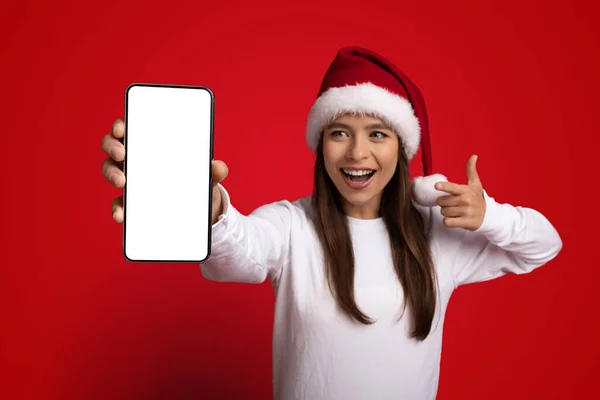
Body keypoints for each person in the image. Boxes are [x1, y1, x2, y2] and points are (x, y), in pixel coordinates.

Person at [101, 46, 563, 400]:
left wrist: (490, 216)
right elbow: (234, 254)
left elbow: (545, 244)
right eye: (340, 132)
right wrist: (207, 208)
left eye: (377, 134)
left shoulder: (434, 235)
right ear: (321, 144)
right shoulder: (291, 227)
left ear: (401, 148)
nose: (357, 154)